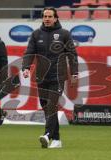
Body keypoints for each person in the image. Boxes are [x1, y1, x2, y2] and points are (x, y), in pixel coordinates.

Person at [22, 7, 78, 148]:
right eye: (45, 16)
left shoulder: (64, 34)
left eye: (49, 16)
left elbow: (72, 55)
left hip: (58, 76)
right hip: (42, 77)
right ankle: (57, 140)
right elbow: (29, 52)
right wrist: (26, 68)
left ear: (55, 18)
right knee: (46, 107)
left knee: (52, 105)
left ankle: (47, 135)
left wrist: (74, 72)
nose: (46, 19)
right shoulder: (36, 34)